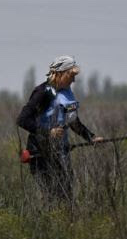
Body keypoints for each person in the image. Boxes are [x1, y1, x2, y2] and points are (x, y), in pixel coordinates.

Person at [16, 55, 103, 201]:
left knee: (66, 195)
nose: (73, 80)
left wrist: (91, 137)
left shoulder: (68, 93)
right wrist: (48, 132)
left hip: (61, 152)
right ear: (60, 74)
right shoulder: (42, 92)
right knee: (51, 196)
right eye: (71, 76)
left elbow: (73, 121)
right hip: (40, 153)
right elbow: (22, 120)